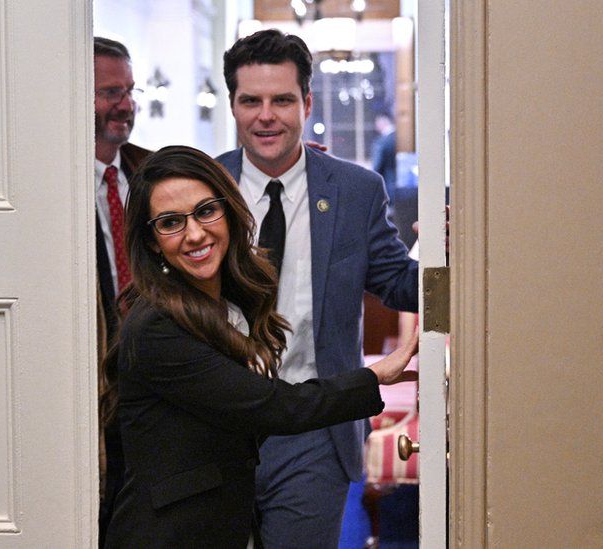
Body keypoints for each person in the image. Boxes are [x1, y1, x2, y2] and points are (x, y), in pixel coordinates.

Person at [100, 145, 418, 548]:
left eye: (205, 211)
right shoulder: (156, 325)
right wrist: (374, 376)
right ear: (151, 242)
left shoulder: (229, 301)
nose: (195, 233)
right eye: (170, 222)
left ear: (229, 210)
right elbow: (269, 406)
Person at [216, 29, 419, 547]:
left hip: (314, 428)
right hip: (216, 425)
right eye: (251, 101)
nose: (267, 116)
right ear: (233, 105)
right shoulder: (203, 188)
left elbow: (398, 284)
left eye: (282, 99)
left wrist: (451, 257)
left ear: (306, 102)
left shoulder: (356, 191)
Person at [93, 36, 151, 547]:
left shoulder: (149, 173)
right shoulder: (48, 186)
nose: (126, 104)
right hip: (86, 401)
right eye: (110, 91)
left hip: (151, 394)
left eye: (129, 90)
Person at [371, 112, 398, 203]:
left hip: (387, 181)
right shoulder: (399, 137)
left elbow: (378, 164)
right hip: (400, 182)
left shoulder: (382, 141)